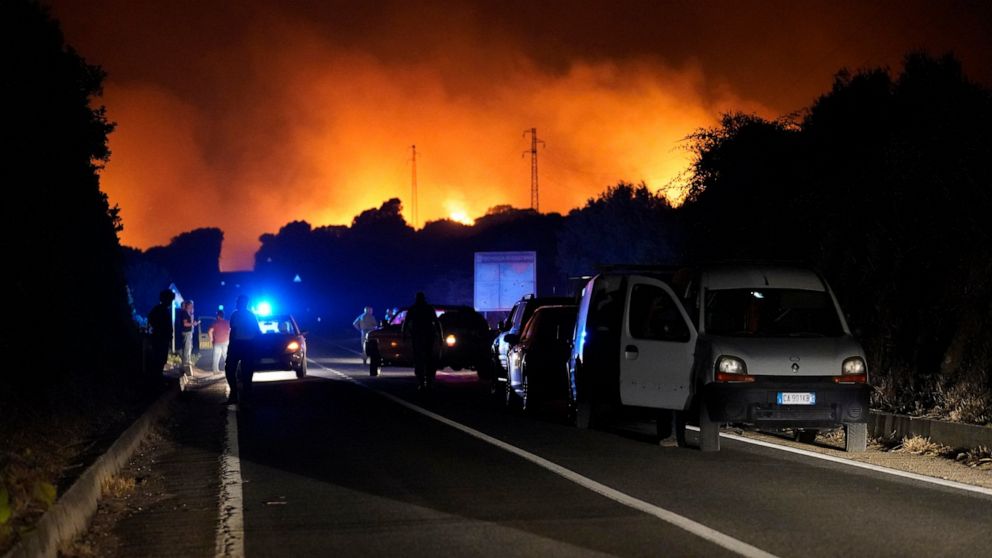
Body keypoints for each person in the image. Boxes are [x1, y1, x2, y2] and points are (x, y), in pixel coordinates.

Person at [225, 295, 260, 406]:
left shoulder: (239, 315)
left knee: (239, 371)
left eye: (238, 302)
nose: (237, 304)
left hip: (241, 345)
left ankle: (242, 395)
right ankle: (240, 395)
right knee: (236, 371)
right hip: (244, 345)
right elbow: (257, 332)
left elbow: (233, 331)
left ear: (242, 303)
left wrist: (231, 347)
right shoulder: (248, 315)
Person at [402, 292, 441, 391]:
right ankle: (427, 382)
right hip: (427, 336)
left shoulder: (413, 309)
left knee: (420, 359)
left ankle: (422, 382)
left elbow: (406, 323)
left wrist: (404, 334)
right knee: (428, 359)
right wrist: (441, 336)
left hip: (419, 337)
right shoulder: (428, 308)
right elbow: (437, 323)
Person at [147, 289, 175, 377]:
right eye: (170, 300)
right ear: (166, 299)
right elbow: (152, 319)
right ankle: (157, 378)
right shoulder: (161, 309)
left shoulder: (161, 309)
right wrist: (160, 328)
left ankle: (158, 377)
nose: (171, 302)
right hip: (161, 338)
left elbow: (151, 318)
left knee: (161, 359)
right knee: (159, 359)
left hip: (161, 338)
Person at [177, 300, 200, 374]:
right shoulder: (184, 313)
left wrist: (193, 321)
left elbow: (190, 322)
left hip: (189, 332)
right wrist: (193, 323)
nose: (193, 307)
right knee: (186, 348)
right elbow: (185, 324)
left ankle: (187, 361)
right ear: (188, 305)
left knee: (190, 347)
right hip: (186, 332)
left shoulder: (188, 313)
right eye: (191, 305)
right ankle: (185, 364)